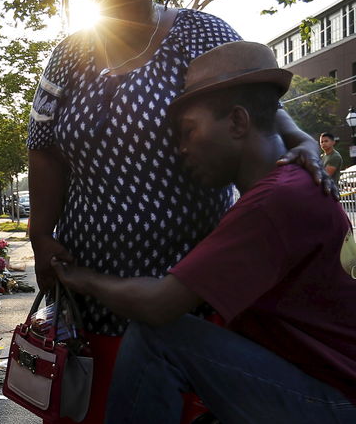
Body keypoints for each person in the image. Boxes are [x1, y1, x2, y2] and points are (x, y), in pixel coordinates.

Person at [27, 0, 329, 423]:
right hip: (90, 286)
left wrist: (300, 139)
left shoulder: (202, 33)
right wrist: (40, 234)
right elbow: (43, 146)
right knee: (96, 403)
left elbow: (255, 102)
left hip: (186, 284)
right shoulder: (68, 54)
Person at [52, 41, 356, 423]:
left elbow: (158, 305)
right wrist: (304, 138)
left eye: (188, 131)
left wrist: (82, 279)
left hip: (334, 402)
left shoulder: (271, 203)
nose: (180, 149)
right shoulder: (295, 182)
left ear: (237, 122)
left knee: (158, 338)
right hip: (322, 384)